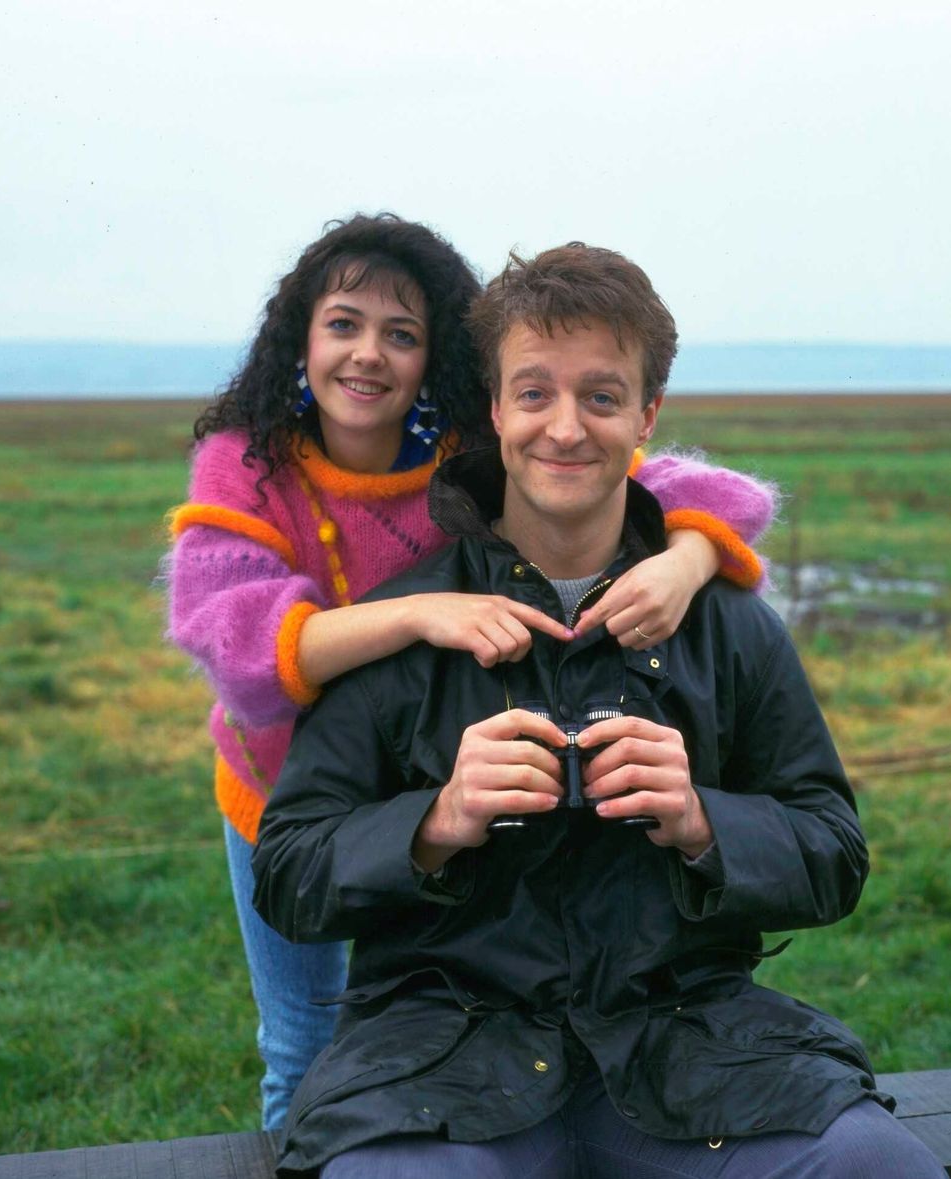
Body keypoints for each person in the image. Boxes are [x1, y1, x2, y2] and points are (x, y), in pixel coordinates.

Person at [251, 243, 947, 1177]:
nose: (566, 427)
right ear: (495, 409)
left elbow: (835, 852)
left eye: (602, 396)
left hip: (694, 1052)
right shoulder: (403, 626)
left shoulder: (728, 624)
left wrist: (703, 820)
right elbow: (287, 871)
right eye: (534, 393)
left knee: (876, 1166)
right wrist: (436, 821)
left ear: (647, 414)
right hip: (443, 1071)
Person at [166, 214, 779, 1131]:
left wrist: (687, 560)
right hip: (281, 797)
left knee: (411, 1030)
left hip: (437, 791)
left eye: (401, 333)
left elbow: (706, 493)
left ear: (434, 357)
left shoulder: (472, 454)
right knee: (298, 1043)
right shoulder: (244, 464)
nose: (367, 354)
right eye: (343, 324)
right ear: (300, 338)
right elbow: (240, 654)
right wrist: (419, 611)